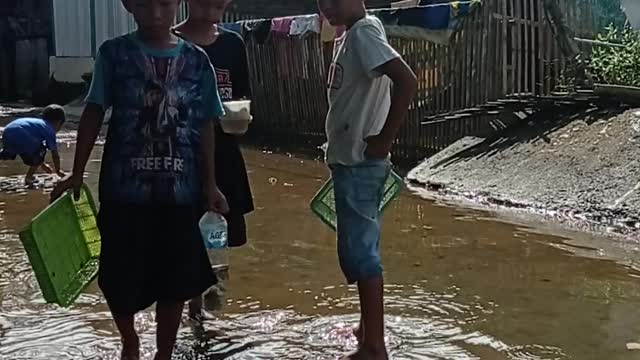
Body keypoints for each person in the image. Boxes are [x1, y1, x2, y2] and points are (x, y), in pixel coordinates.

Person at [50, 0, 229, 359]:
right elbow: (94, 109)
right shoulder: (113, 54)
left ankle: (163, 352)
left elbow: (205, 123)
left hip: (180, 192)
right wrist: (77, 172)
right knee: (118, 276)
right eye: (146, 4)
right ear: (129, 5)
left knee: (175, 280)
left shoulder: (197, 61)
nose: (156, 12)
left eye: (164, 3)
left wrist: (210, 184)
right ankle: (129, 340)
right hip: (123, 189)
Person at [318, 0, 418, 358]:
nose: (324, 7)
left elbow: (406, 81)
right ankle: (367, 328)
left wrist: (385, 138)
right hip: (352, 162)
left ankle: (374, 345)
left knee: (362, 255)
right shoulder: (352, 34)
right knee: (358, 249)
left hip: (361, 162)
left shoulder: (362, 33)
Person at [174, 0, 254, 320]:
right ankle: (188, 308)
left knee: (216, 238)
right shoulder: (171, 42)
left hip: (224, 155)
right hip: (181, 156)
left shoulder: (232, 43)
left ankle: (205, 311)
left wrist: (241, 119)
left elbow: (243, 95)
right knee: (182, 234)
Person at [0, 104, 67, 184]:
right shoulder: (49, 130)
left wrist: (43, 165)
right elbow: (55, 154)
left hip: (7, 132)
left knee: (7, 154)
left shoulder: (38, 123)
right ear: (58, 122)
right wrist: (58, 170)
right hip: (24, 135)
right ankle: (29, 177)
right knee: (42, 149)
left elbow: (36, 151)